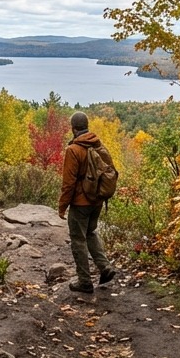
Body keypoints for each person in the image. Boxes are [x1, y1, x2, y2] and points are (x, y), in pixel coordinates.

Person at [57, 111, 117, 293]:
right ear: (87, 126)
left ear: (73, 128)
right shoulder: (98, 145)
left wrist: (62, 206)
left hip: (81, 203)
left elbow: (68, 183)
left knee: (78, 240)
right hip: (97, 200)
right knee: (90, 232)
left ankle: (84, 281)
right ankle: (105, 267)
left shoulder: (73, 150)